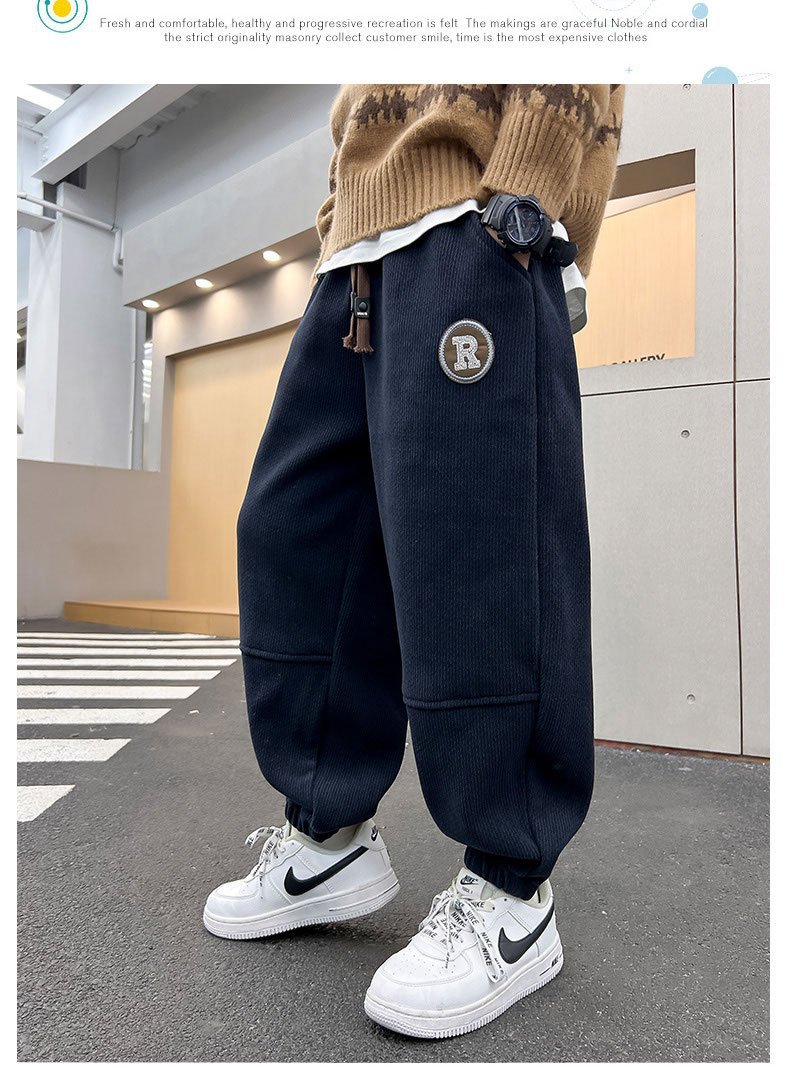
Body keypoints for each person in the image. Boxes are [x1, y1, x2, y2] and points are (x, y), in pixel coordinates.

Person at [204, 83, 625, 1039]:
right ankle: (328, 834)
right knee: (296, 533)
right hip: (355, 261)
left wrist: (526, 189)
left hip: (476, 222)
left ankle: (513, 885)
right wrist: (336, 227)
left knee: (479, 547)